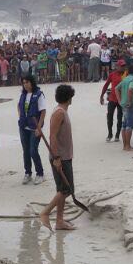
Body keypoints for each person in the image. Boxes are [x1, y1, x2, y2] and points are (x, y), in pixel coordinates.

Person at [39, 84, 77, 231]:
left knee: (61, 190)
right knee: (67, 189)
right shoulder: (59, 113)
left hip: (65, 155)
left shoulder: (62, 111)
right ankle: (45, 212)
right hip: (60, 157)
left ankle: (59, 221)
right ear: (69, 98)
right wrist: (56, 158)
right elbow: (52, 136)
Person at [17, 74, 47, 184]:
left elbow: (43, 111)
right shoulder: (23, 94)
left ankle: (40, 173)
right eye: (24, 83)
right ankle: (28, 173)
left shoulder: (39, 94)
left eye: (27, 82)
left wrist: (39, 127)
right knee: (26, 151)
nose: (25, 85)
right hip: (23, 127)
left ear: (32, 82)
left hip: (34, 127)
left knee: (33, 150)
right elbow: (18, 106)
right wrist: (21, 116)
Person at [115, 64, 133, 152]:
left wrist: (119, 100)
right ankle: (128, 146)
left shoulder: (125, 79)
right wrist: (129, 101)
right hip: (131, 105)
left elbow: (116, 88)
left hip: (124, 104)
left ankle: (125, 145)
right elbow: (130, 90)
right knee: (129, 125)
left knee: (124, 125)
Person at [99, 61, 124, 140]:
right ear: (117, 66)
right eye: (121, 66)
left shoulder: (126, 75)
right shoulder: (112, 74)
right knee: (109, 116)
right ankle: (110, 134)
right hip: (112, 98)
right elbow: (106, 85)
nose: (123, 67)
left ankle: (117, 135)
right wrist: (102, 96)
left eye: (124, 66)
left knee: (120, 117)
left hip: (122, 99)